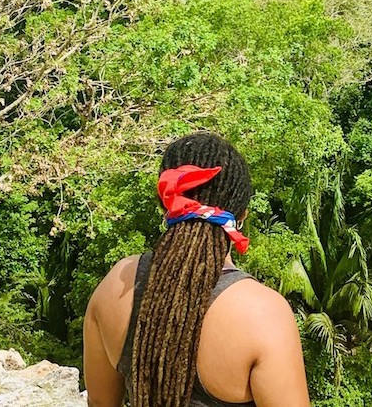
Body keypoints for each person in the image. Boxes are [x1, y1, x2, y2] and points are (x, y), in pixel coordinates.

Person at [84, 132, 310, 407]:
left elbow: (99, 402)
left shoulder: (115, 285)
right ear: (242, 216)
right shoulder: (263, 314)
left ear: (165, 202)